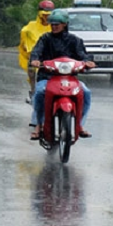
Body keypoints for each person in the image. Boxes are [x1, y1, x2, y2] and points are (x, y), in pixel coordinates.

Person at [29, 9, 96, 140]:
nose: (54, 27)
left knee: (86, 93)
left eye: (57, 24)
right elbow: (36, 51)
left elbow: (82, 55)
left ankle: (79, 125)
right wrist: (35, 60)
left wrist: (87, 62)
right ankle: (39, 124)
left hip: (69, 78)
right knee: (40, 93)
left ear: (65, 24)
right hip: (47, 77)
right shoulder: (45, 39)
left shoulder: (75, 40)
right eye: (52, 24)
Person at [19, 0, 55, 101]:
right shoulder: (30, 27)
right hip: (37, 56)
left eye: (48, 14)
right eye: (44, 14)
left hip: (55, 56)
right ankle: (33, 90)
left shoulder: (56, 26)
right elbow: (26, 43)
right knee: (31, 68)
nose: (46, 17)